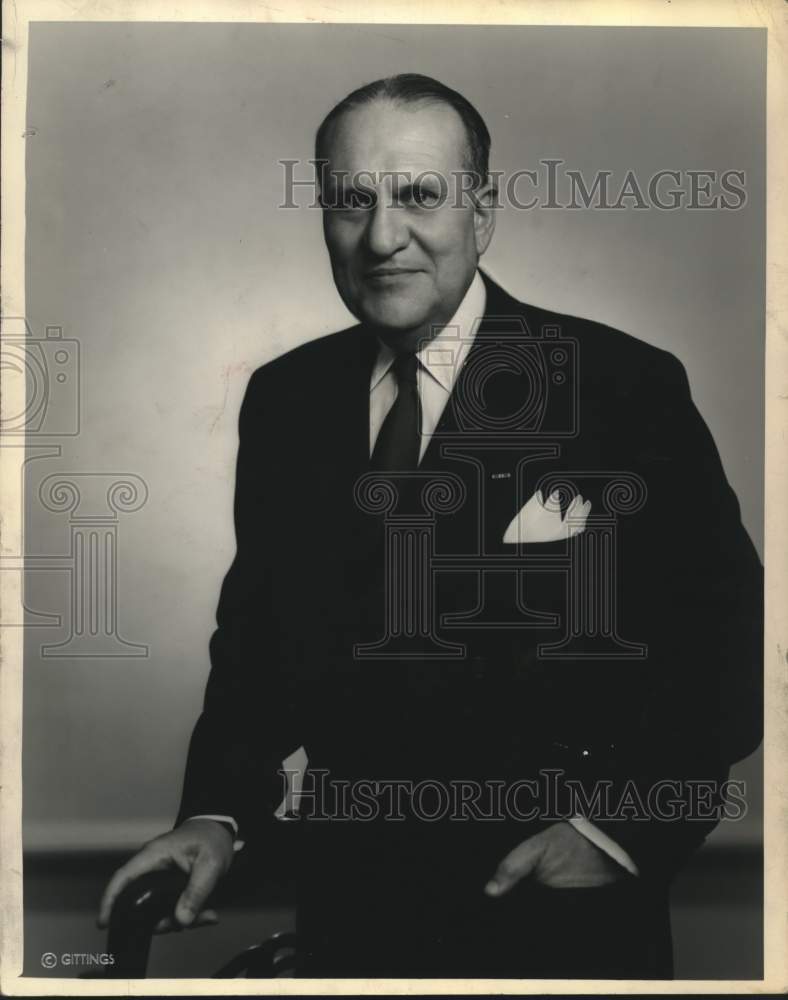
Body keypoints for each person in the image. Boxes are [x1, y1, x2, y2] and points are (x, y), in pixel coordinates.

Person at [98, 74, 763, 978]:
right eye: (350, 202)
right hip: (352, 919)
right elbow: (256, 641)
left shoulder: (620, 387)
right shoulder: (289, 399)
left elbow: (735, 644)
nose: (381, 238)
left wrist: (616, 832)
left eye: (418, 196)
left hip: (558, 931)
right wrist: (214, 816)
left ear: (481, 214)